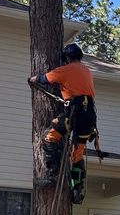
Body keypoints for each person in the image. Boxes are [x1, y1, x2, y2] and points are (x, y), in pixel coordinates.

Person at [28, 44, 99, 197]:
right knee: (78, 154)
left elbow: (44, 79)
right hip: (89, 116)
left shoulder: (65, 70)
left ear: (67, 57)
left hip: (74, 112)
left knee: (50, 138)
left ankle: (52, 176)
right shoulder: (87, 70)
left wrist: (31, 79)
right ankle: (77, 190)